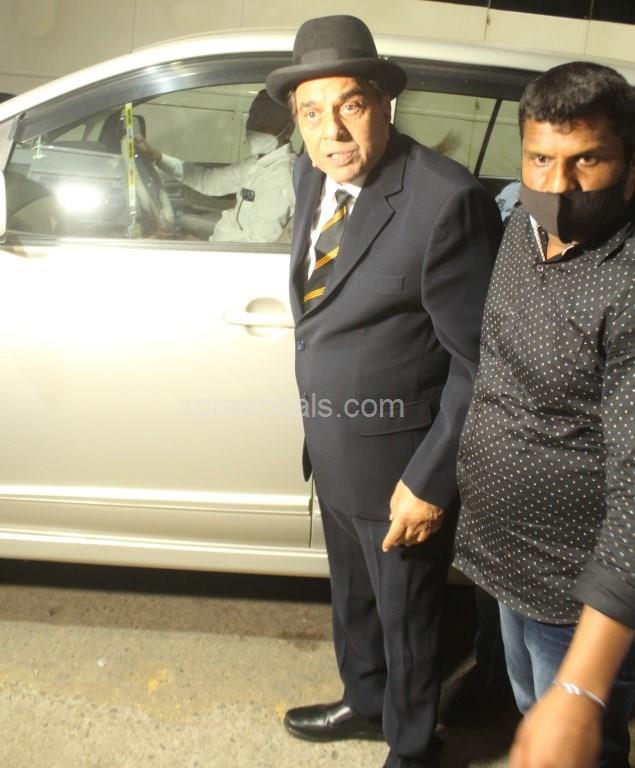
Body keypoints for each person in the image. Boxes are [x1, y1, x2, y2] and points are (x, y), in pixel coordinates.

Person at [265, 15, 502, 768]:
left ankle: (412, 745)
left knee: (409, 621)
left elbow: (477, 362)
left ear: (384, 102)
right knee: (354, 601)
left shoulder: (444, 200)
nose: (332, 131)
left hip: (401, 469)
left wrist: (429, 482)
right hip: (334, 449)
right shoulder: (309, 174)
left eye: (350, 105)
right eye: (311, 112)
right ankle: (364, 701)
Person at [453, 61, 635, 768]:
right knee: (530, 706)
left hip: (576, 591)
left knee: (576, 739)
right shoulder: (519, 230)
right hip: (505, 559)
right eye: (540, 159)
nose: (558, 186)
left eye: (586, 160)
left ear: (630, 163)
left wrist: (582, 689)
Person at [135, 89, 296, 243]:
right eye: (253, 118)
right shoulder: (258, 163)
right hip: (224, 243)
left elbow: (258, 246)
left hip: (232, 256)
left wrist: (197, 245)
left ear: (288, 129)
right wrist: (157, 157)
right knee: (180, 223)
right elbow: (209, 181)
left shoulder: (281, 177)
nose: (255, 127)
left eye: (266, 122)